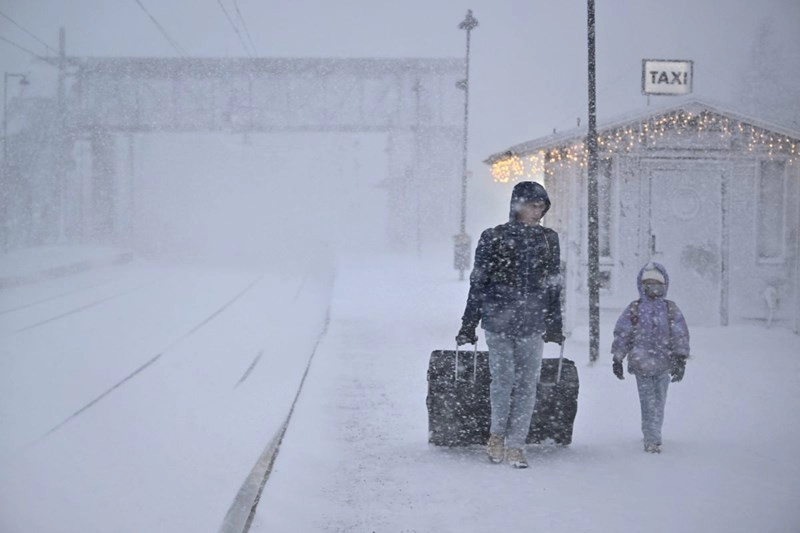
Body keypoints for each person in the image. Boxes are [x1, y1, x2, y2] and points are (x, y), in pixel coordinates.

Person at [456, 181, 564, 468]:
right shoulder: (494, 238)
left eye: (542, 207)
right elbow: (478, 283)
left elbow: (554, 284)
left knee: (528, 384)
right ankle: (496, 436)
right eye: (533, 206)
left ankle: (517, 443)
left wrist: (554, 322)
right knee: (502, 381)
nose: (538, 213)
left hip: (532, 322)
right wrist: (469, 323)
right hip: (498, 322)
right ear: (518, 206)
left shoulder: (548, 240)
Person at [611, 262, 690, 454]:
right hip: (641, 364)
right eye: (648, 283)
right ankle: (652, 438)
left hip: (664, 363)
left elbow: (680, 334)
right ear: (642, 285)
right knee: (648, 402)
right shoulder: (635, 309)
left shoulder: (670, 309)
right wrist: (617, 358)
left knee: (659, 401)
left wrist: (680, 358)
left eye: (657, 283)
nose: (653, 287)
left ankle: (653, 431)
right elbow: (623, 334)